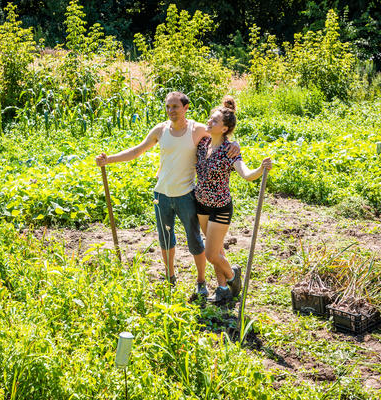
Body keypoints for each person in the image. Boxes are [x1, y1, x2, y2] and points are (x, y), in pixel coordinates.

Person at [95, 91, 240, 297]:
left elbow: (221, 137)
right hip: (161, 194)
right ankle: (170, 277)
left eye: (175, 106)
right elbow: (137, 150)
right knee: (166, 239)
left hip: (187, 195)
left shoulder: (197, 129)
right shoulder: (161, 130)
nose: (171, 110)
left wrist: (235, 144)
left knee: (195, 241)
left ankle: (201, 282)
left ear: (185, 108)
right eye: (168, 106)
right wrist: (109, 159)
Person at [195, 96, 272, 305]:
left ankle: (232, 276)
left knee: (211, 254)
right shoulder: (203, 143)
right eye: (210, 119)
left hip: (220, 207)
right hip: (200, 204)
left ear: (225, 129)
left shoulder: (229, 151)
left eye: (214, 121)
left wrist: (260, 169)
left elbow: (246, 174)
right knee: (217, 250)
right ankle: (221, 289)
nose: (209, 123)